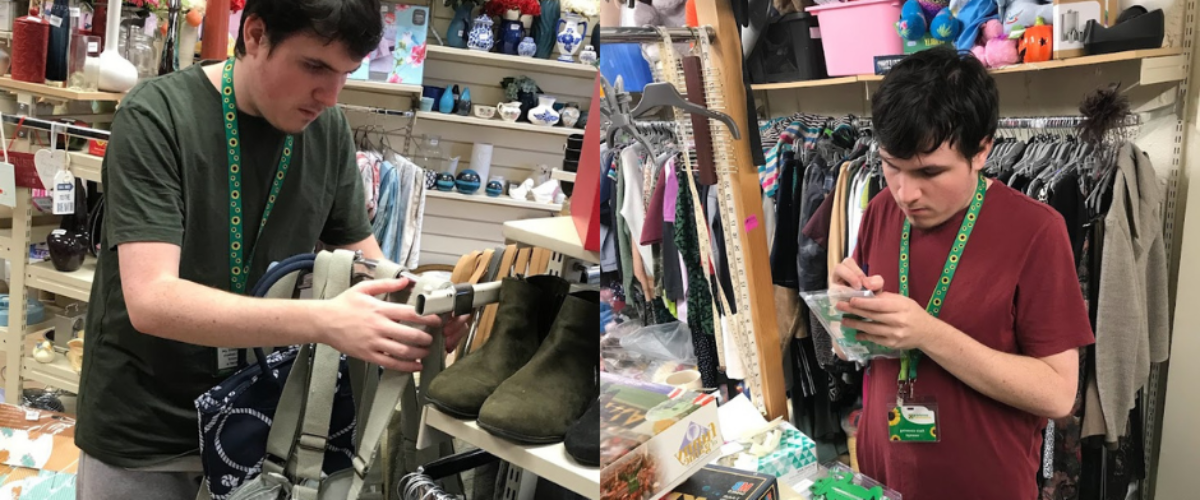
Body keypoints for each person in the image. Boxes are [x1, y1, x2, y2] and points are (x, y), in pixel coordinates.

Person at [74, 1, 468, 498]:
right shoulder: (157, 117)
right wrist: (325, 320)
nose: (329, 95)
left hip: (263, 432)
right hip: (146, 437)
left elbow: (366, 261)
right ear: (256, 35)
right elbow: (152, 300)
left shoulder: (327, 132)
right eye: (315, 67)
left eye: (345, 74)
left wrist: (414, 309)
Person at [830, 46, 1094, 500]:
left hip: (982, 484)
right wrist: (844, 313)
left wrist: (928, 333)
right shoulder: (879, 210)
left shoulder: (1036, 231)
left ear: (982, 150)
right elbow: (852, 349)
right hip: (882, 475)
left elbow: (1056, 394)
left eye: (930, 171)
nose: (906, 192)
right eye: (891, 166)